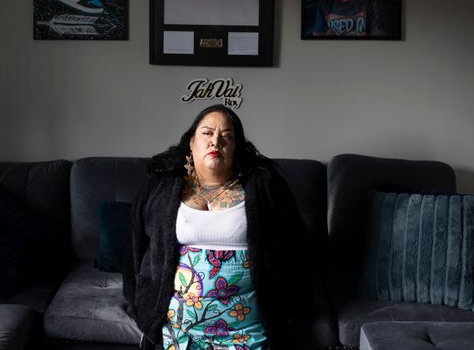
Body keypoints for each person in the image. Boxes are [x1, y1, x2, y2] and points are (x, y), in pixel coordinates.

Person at [124, 105, 329, 349]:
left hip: (247, 330)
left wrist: (293, 310)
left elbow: (295, 246)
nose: (216, 141)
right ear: (191, 142)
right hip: (180, 329)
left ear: (236, 147)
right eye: (207, 133)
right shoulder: (161, 186)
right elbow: (135, 248)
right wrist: (140, 307)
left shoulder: (264, 185)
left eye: (227, 136)